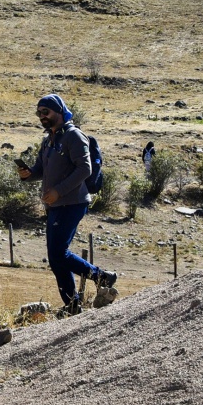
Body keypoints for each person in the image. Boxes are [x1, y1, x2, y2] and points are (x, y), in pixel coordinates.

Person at [18, 94, 118, 317]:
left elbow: (85, 169)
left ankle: (101, 276)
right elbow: (39, 170)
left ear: (60, 111)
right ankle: (72, 304)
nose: (42, 117)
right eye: (39, 113)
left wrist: (58, 191)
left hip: (72, 203)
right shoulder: (48, 140)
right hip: (55, 205)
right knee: (55, 257)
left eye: (46, 112)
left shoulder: (74, 136)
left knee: (58, 253)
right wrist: (29, 174)